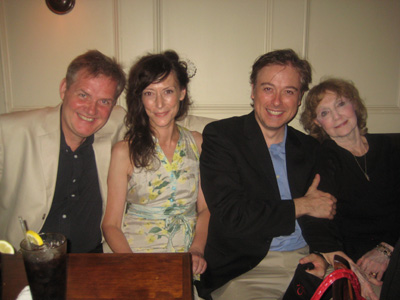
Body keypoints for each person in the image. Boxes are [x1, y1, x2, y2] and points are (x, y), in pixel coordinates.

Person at [195, 49, 338, 300]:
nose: (277, 102)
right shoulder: (222, 137)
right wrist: (302, 205)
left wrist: (325, 253)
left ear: (300, 97)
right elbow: (232, 216)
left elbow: (322, 210)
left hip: (305, 262)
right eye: (268, 88)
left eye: (289, 91)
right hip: (248, 270)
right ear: (253, 90)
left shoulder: (309, 147)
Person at [0, 50, 126, 253]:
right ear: (64, 88)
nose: (91, 110)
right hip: (26, 262)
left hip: (94, 261)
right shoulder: (10, 132)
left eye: (104, 101)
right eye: (83, 95)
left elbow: (160, 122)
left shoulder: (117, 124)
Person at [102, 50, 209, 276]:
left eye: (167, 91)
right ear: (140, 98)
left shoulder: (198, 143)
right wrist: (134, 265)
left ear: (182, 92)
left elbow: (206, 209)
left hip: (185, 258)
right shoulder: (125, 151)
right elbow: (110, 225)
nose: (159, 103)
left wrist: (197, 250)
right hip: (135, 255)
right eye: (150, 93)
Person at [300, 78, 400, 298]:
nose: (336, 116)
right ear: (317, 123)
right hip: (361, 259)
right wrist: (345, 264)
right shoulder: (323, 158)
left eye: (340, 104)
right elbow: (312, 218)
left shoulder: (389, 148)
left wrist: (386, 249)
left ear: (354, 104)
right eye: (324, 113)